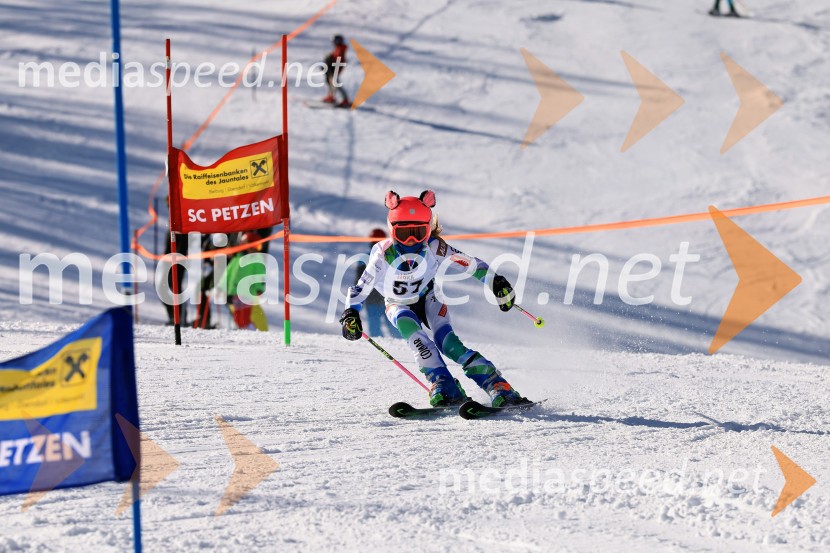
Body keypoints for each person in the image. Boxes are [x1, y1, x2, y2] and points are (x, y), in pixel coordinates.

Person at [339, 190, 529, 408]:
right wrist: (350, 312)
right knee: (420, 344)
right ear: (392, 231)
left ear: (428, 230)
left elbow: (469, 264)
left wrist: (495, 282)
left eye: (418, 232)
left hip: (429, 298)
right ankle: (444, 385)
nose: (411, 240)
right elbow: (362, 287)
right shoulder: (383, 252)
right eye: (404, 233)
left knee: (449, 345)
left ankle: (497, 385)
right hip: (397, 305)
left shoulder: (433, 246)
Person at [354, 228, 396, 337]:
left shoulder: (364, 258)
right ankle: (402, 341)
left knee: (375, 325)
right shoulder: (389, 256)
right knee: (392, 324)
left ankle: (382, 341)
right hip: (385, 296)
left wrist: (358, 298)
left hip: (374, 298)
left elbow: (359, 281)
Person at [322, 35, 350, 107]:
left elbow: (339, 59)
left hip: (336, 67)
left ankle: (345, 100)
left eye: (334, 41)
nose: (333, 43)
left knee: (335, 83)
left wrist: (331, 64)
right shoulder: (338, 48)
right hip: (334, 67)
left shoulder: (341, 49)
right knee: (332, 82)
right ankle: (331, 97)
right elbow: (334, 56)